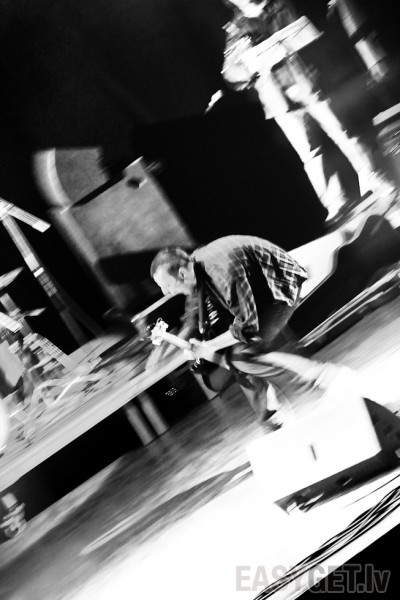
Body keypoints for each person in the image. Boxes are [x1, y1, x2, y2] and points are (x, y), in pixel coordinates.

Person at [211, 0, 395, 224]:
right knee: (310, 153)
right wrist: (246, 67)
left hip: (309, 82)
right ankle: (335, 204)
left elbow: (311, 31)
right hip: (277, 99)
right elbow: (230, 73)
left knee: (344, 133)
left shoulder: (281, 4)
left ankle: (376, 179)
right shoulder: (236, 28)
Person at [150, 235, 359, 424]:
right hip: (259, 297)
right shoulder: (196, 267)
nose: (166, 292)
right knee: (236, 355)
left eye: (167, 286)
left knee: (242, 355)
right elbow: (194, 314)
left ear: (182, 273)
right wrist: (186, 345)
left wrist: (210, 345)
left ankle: (326, 377)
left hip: (280, 289)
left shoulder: (219, 269)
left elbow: (247, 326)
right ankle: (273, 413)